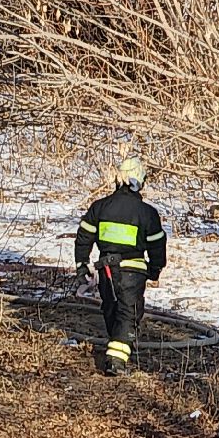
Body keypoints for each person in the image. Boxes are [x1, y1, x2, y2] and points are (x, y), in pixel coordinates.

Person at [74, 157, 167, 376]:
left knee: (111, 308)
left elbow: (83, 238)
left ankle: (115, 346)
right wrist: (155, 269)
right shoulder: (146, 213)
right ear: (139, 181)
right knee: (128, 314)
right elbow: (157, 245)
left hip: (105, 269)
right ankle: (116, 361)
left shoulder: (100, 207)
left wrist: (82, 266)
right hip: (132, 272)